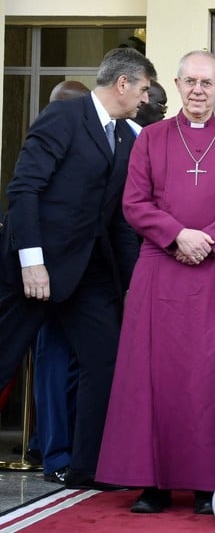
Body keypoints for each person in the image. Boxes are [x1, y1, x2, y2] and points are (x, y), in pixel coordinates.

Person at [95, 50, 215, 515]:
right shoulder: (150, 139)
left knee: (212, 379)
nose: (197, 90)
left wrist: (207, 239)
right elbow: (134, 202)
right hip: (160, 269)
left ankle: (213, 482)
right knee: (153, 377)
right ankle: (154, 482)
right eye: (189, 81)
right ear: (176, 83)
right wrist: (177, 236)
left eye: (206, 83)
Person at [0, 48, 156, 489]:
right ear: (122, 84)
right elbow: (24, 189)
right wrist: (33, 263)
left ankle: (89, 467)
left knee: (104, 360)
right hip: (33, 265)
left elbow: (119, 221)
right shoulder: (63, 118)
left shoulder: (129, 138)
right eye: (143, 88)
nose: (146, 98)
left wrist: (132, 286)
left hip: (88, 270)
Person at [34, 80, 90, 485]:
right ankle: (55, 454)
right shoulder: (43, 145)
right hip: (48, 276)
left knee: (84, 365)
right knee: (54, 366)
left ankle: (79, 450)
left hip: (91, 275)